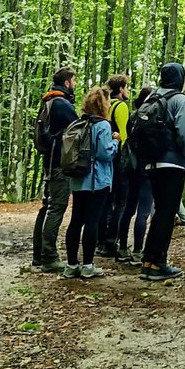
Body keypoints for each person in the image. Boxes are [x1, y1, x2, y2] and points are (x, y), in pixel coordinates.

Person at [138, 62, 185, 281]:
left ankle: (148, 262)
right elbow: (184, 133)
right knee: (166, 214)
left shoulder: (151, 97)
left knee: (160, 211)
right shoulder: (179, 99)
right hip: (172, 163)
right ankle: (158, 264)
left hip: (151, 162)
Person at [63, 86, 119, 279]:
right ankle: (88, 265)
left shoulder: (79, 123)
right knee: (92, 221)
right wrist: (116, 142)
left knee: (76, 221)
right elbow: (105, 153)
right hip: (97, 180)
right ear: (103, 105)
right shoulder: (103, 125)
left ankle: (71, 264)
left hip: (78, 179)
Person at [33, 66, 77, 273]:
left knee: (47, 207)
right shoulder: (61, 104)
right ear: (67, 82)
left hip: (49, 161)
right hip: (59, 162)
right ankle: (49, 257)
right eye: (74, 81)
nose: (74, 85)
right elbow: (78, 128)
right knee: (56, 207)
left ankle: (39, 255)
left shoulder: (48, 101)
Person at [116, 85, 155, 267]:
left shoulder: (133, 116)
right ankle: (138, 251)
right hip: (146, 169)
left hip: (131, 168)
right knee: (143, 212)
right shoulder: (151, 118)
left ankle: (123, 247)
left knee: (128, 209)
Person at [97, 73, 131, 259]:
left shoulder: (106, 106)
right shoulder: (121, 106)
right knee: (121, 202)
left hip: (106, 159)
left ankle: (101, 240)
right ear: (121, 89)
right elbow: (124, 135)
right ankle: (111, 241)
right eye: (126, 87)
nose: (128, 91)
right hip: (119, 158)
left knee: (106, 201)